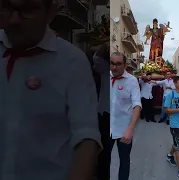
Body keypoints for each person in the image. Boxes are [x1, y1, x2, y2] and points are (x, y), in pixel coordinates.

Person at [0, 1, 102, 180]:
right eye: (7, 8)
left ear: (50, 14)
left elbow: (87, 137)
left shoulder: (72, 62)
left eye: (27, 10)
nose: (14, 19)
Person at [109, 52, 141, 180]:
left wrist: (130, 128)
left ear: (125, 65)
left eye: (118, 64)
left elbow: (137, 105)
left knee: (124, 161)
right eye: (112, 63)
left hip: (124, 129)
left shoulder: (132, 81)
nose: (114, 68)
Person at [92, 44, 110, 180]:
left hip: (107, 113)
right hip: (105, 113)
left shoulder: (105, 69)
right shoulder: (106, 69)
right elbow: (97, 59)